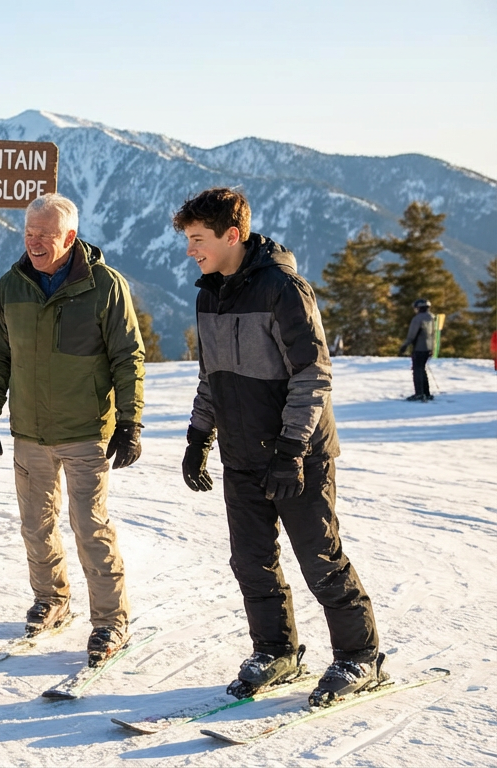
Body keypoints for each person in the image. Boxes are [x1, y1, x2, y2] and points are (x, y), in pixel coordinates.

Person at [175, 187, 382, 708]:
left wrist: (292, 449)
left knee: (320, 559)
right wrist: (199, 436)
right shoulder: (209, 294)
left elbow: (313, 375)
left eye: (198, 239)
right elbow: (211, 376)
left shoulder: (284, 290)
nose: (190, 250)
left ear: (232, 235)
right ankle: (276, 651)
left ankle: (360, 656)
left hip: (298, 454)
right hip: (241, 455)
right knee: (251, 562)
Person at [0, 192, 144, 666]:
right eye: (28, 234)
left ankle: (111, 621)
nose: (34, 243)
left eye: (44, 236)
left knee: (90, 527)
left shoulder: (104, 285)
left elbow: (127, 357)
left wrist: (130, 421)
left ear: (69, 237)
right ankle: (52, 599)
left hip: (84, 429)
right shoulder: (13, 284)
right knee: (35, 525)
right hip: (29, 430)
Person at [398, 298, 436, 401]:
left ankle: (419, 393)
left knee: (417, 370)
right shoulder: (432, 317)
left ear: (419, 308)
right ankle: (426, 393)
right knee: (422, 369)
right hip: (429, 347)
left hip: (419, 347)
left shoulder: (417, 319)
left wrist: (405, 346)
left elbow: (412, 335)